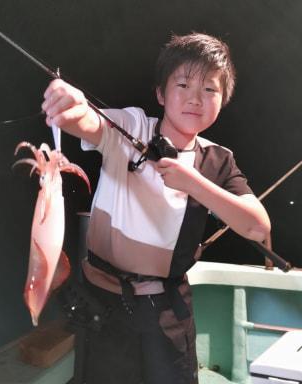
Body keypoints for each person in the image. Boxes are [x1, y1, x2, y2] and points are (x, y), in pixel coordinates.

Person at [41, 32, 271, 384]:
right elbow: (87, 122)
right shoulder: (131, 125)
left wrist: (194, 183)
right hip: (102, 301)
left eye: (209, 89)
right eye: (183, 84)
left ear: (222, 100)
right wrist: (70, 104)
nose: (196, 98)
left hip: (168, 308)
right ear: (161, 94)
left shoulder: (218, 160)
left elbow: (257, 226)